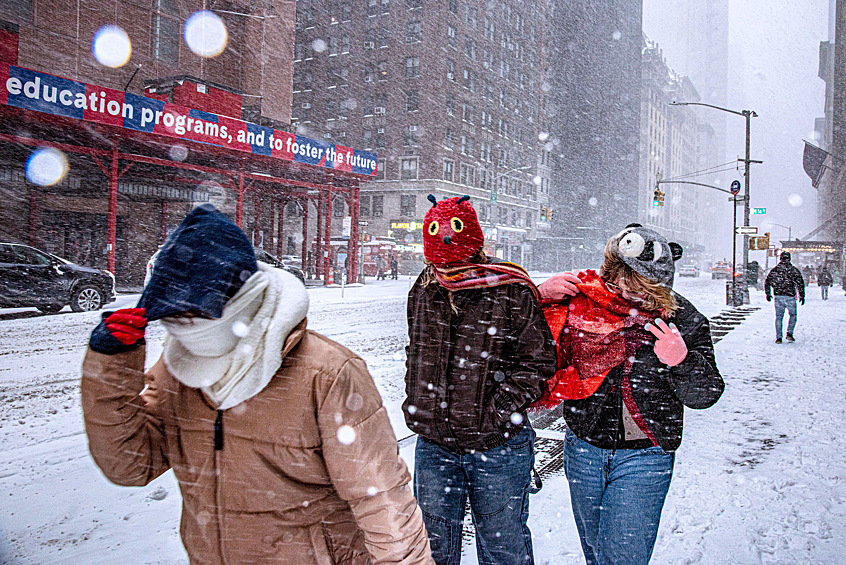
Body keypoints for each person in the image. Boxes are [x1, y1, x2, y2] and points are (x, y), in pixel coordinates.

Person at [81, 205, 434, 565]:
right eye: (172, 318)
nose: (183, 329)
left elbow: (380, 499)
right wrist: (111, 368)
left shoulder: (327, 373)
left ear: (238, 300)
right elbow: (130, 465)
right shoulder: (177, 369)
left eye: (193, 315)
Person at [535, 224, 724, 565]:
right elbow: (517, 344)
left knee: (621, 559)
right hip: (584, 450)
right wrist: (537, 297)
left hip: (645, 457)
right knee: (596, 554)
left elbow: (706, 393)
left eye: (638, 290)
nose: (625, 295)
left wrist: (680, 360)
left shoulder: (681, 318)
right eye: (619, 283)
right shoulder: (588, 302)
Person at [404, 194, 557, 565]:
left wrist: (496, 411)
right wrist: (419, 404)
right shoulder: (424, 289)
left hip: (497, 445)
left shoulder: (510, 288)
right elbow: (417, 350)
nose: (444, 240)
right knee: (430, 549)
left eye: (454, 229)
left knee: (503, 548)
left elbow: (537, 363)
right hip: (435, 445)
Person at [765, 251, 805, 343]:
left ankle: (779, 337)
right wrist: (802, 295)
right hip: (790, 296)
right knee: (793, 315)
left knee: (779, 317)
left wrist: (768, 293)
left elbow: (767, 281)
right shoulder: (793, 270)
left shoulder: (775, 270)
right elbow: (800, 283)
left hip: (778, 296)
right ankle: (789, 333)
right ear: (789, 259)